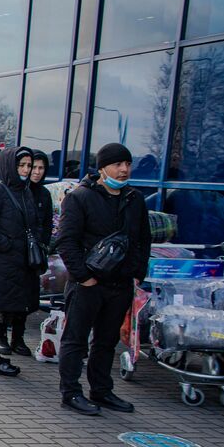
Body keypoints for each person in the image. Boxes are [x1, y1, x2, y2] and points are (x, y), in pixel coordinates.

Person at [55, 142, 151, 416]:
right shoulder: (80, 197)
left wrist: (137, 273)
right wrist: (83, 276)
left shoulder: (134, 199)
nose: (124, 169)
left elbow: (142, 240)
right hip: (88, 284)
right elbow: (66, 241)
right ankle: (71, 393)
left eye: (128, 164)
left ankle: (101, 390)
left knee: (106, 342)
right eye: (118, 164)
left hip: (120, 284)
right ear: (102, 168)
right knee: (75, 340)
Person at [0, 146, 50, 377]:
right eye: (21, 165)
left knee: (6, 310)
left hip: (19, 264)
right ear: (9, 166)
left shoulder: (26, 193)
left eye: (28, 165)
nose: (26, 170)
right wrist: (6, 244)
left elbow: (35, 224)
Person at [5, 150, 54, 355]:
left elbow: (47, 224)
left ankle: (18, 338)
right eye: (33, 167)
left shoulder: (44, 194)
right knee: (7, 297)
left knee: (26, 299)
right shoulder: (12, 190)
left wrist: (42, 246)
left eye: (41, 168)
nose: (35, 171)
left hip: (32, 256)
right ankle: (1, 337)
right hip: (12, 253)